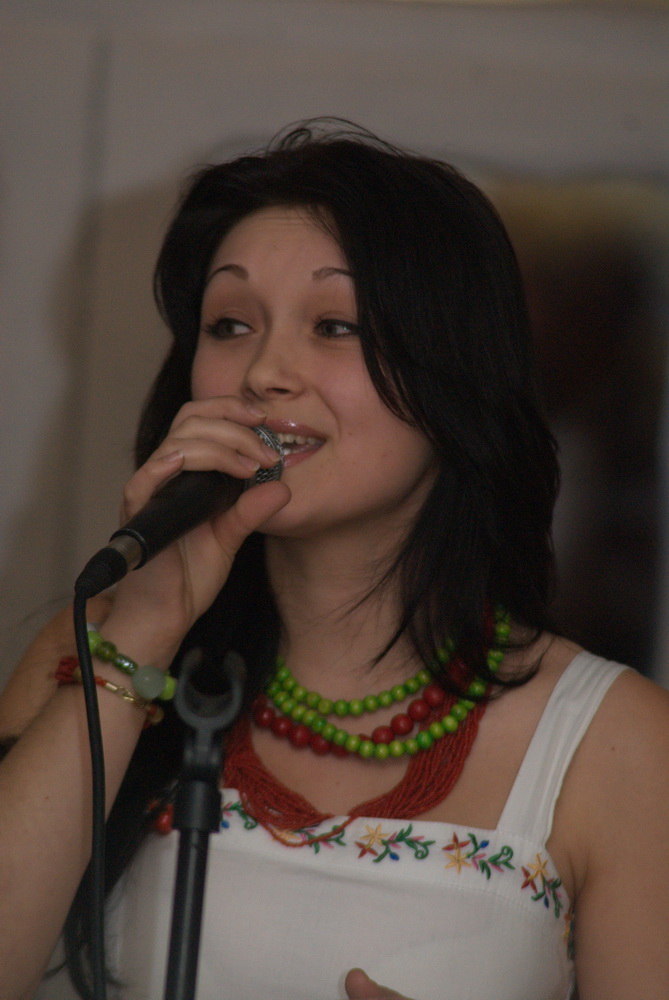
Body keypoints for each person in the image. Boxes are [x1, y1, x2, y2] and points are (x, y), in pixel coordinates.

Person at [1, 120, 668, 1000]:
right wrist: (147, 623)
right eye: (229, 324)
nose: (264, 372)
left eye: (333, 325)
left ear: (454, 370)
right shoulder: (92, 650)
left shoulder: (614, 738)